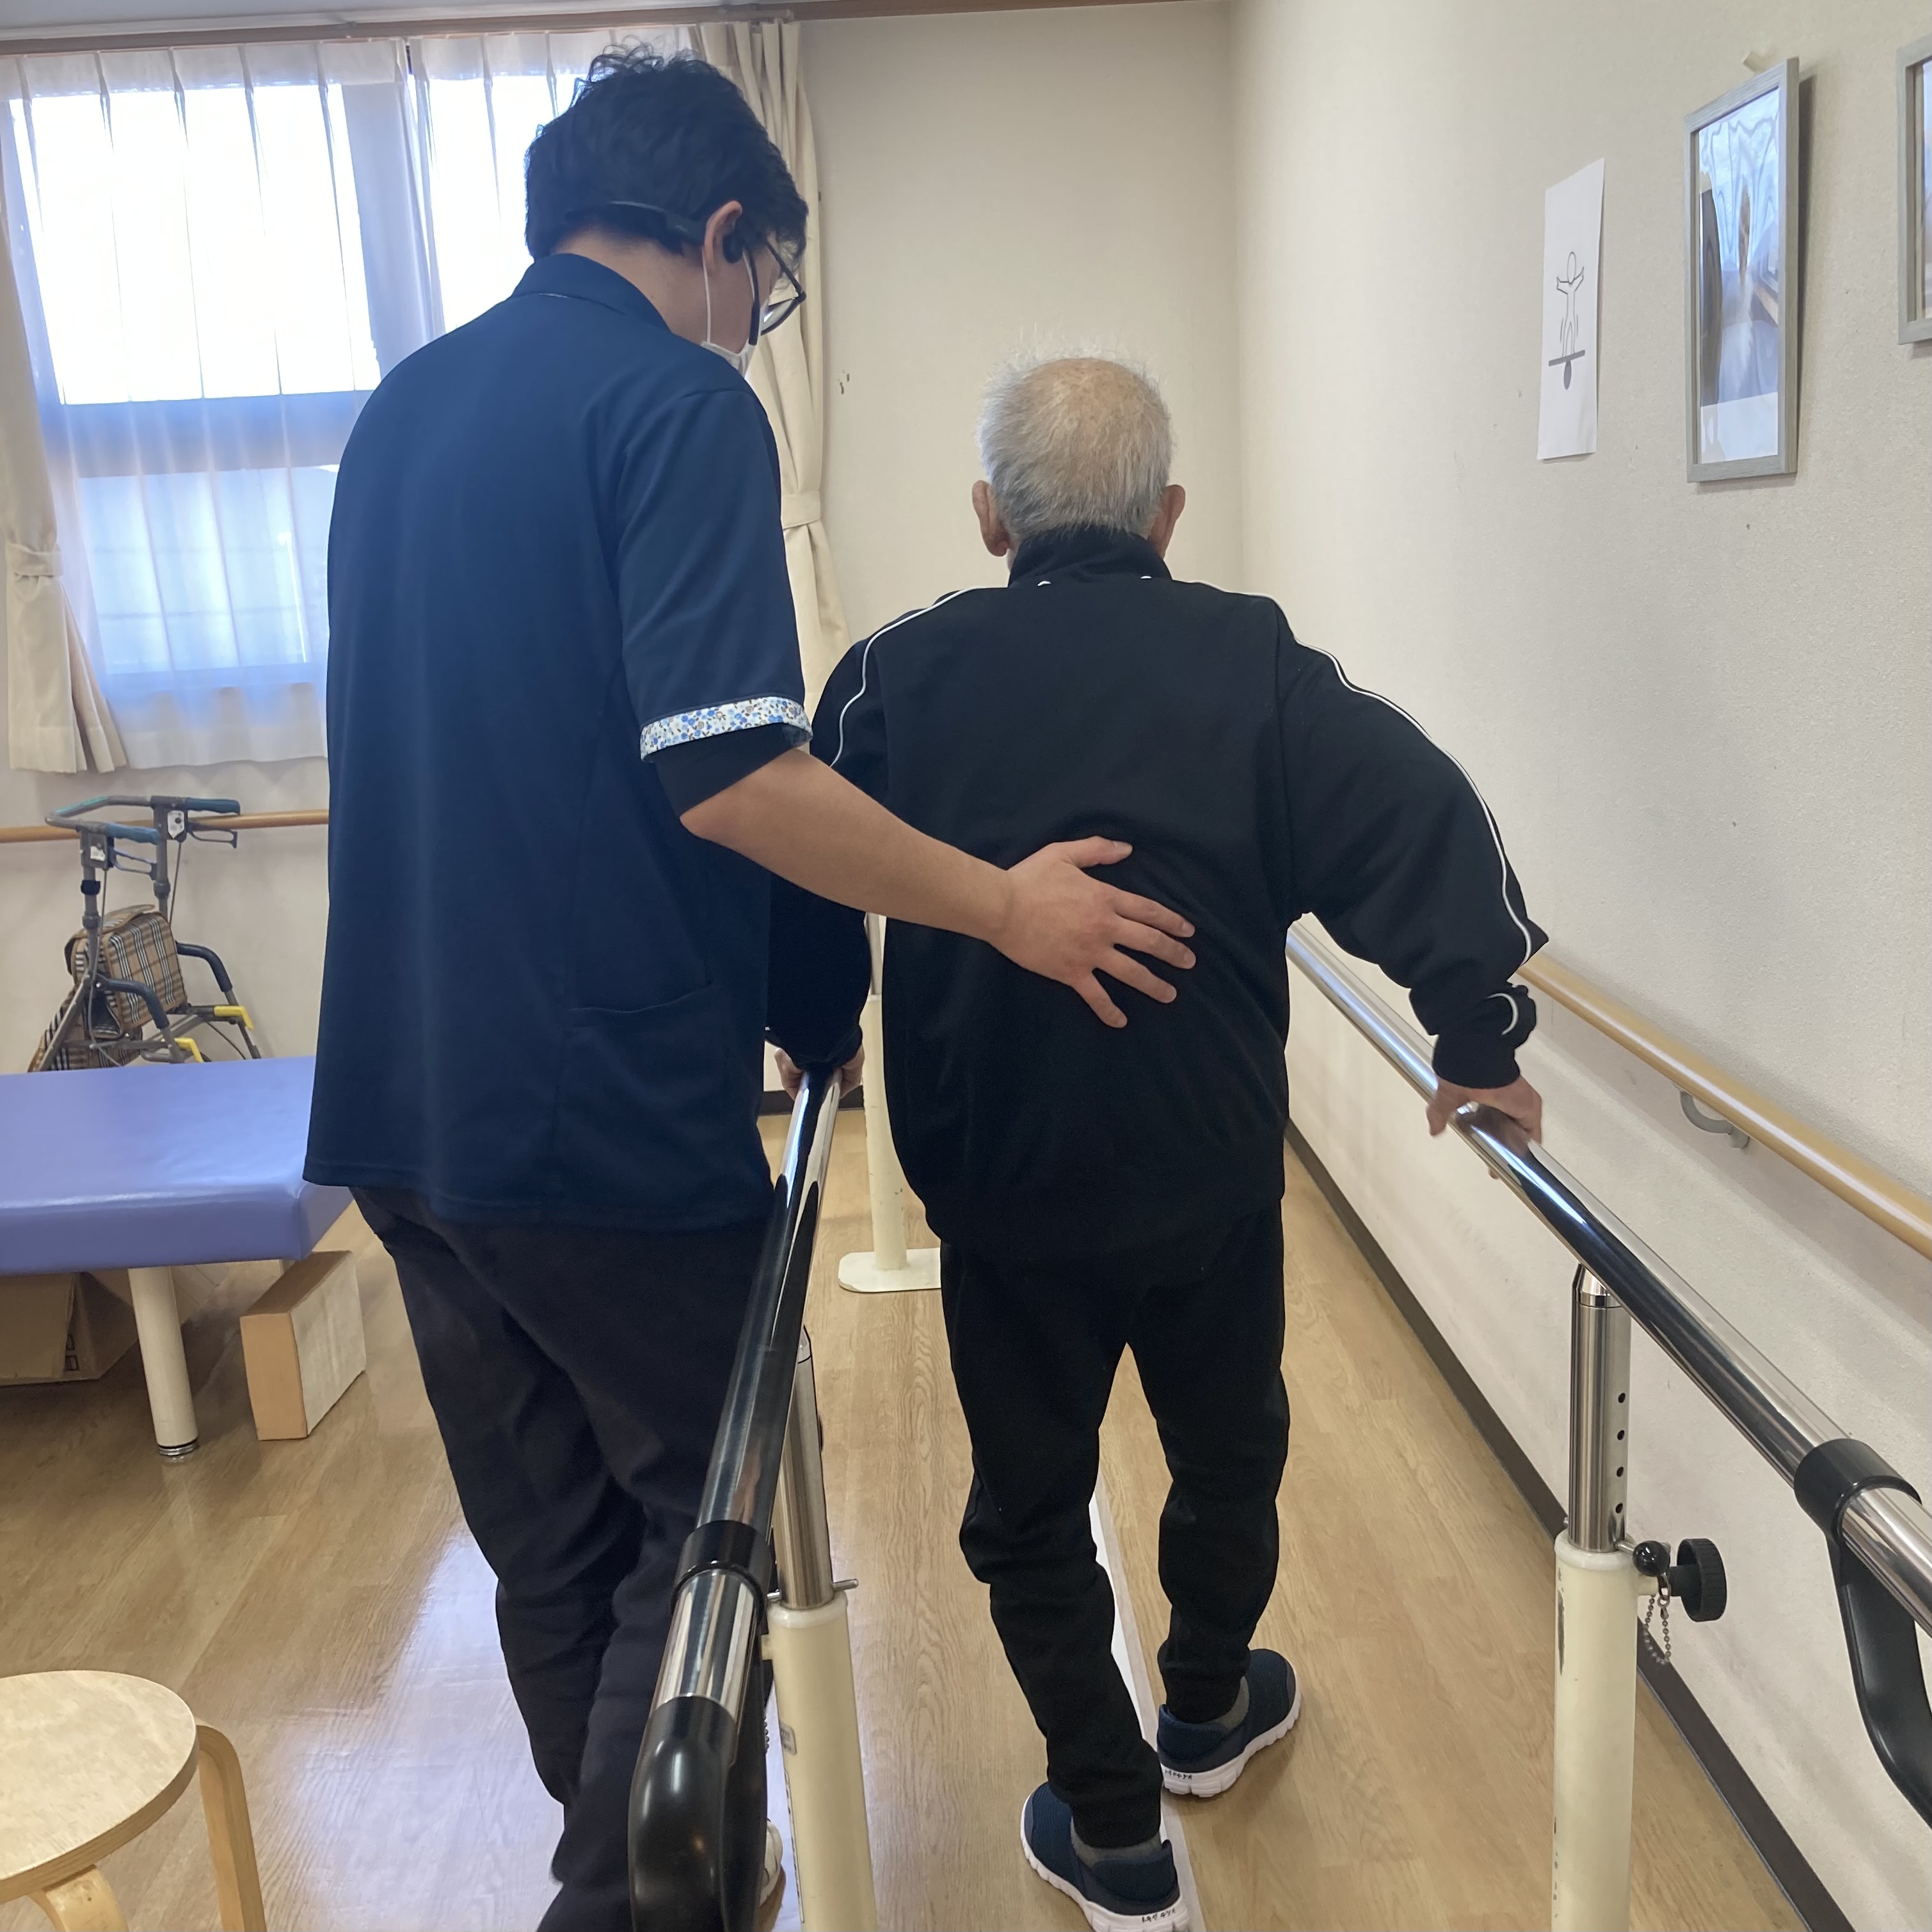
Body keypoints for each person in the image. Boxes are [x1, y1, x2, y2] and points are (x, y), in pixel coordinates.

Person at [304, 56, 1194, 1932]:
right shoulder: (679, 402)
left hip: (395, 1092)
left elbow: (518, 739)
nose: (753, 322)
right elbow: (729, 772)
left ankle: (672, 1872)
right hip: (591, 1115)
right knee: (700, 1537)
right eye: (766, 287)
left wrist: (798, 985)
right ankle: (636, 1901)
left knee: (557, 1543)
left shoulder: (404, 408)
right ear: (723, 238)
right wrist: (1000, 907)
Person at [801, 356, 1547, 1932]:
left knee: (1028, 1503)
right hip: (1205, 1177)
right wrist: (1476, 1037)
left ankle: (1111, 1824)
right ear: (1168, 513)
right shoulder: (1249, 658)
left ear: (989, 515)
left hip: (1000, 1186)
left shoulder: (894, 671)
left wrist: (811, 1028)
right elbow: (1419, 808)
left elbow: (800, 853)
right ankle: (1204, 1704)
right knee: (1227, 1450)